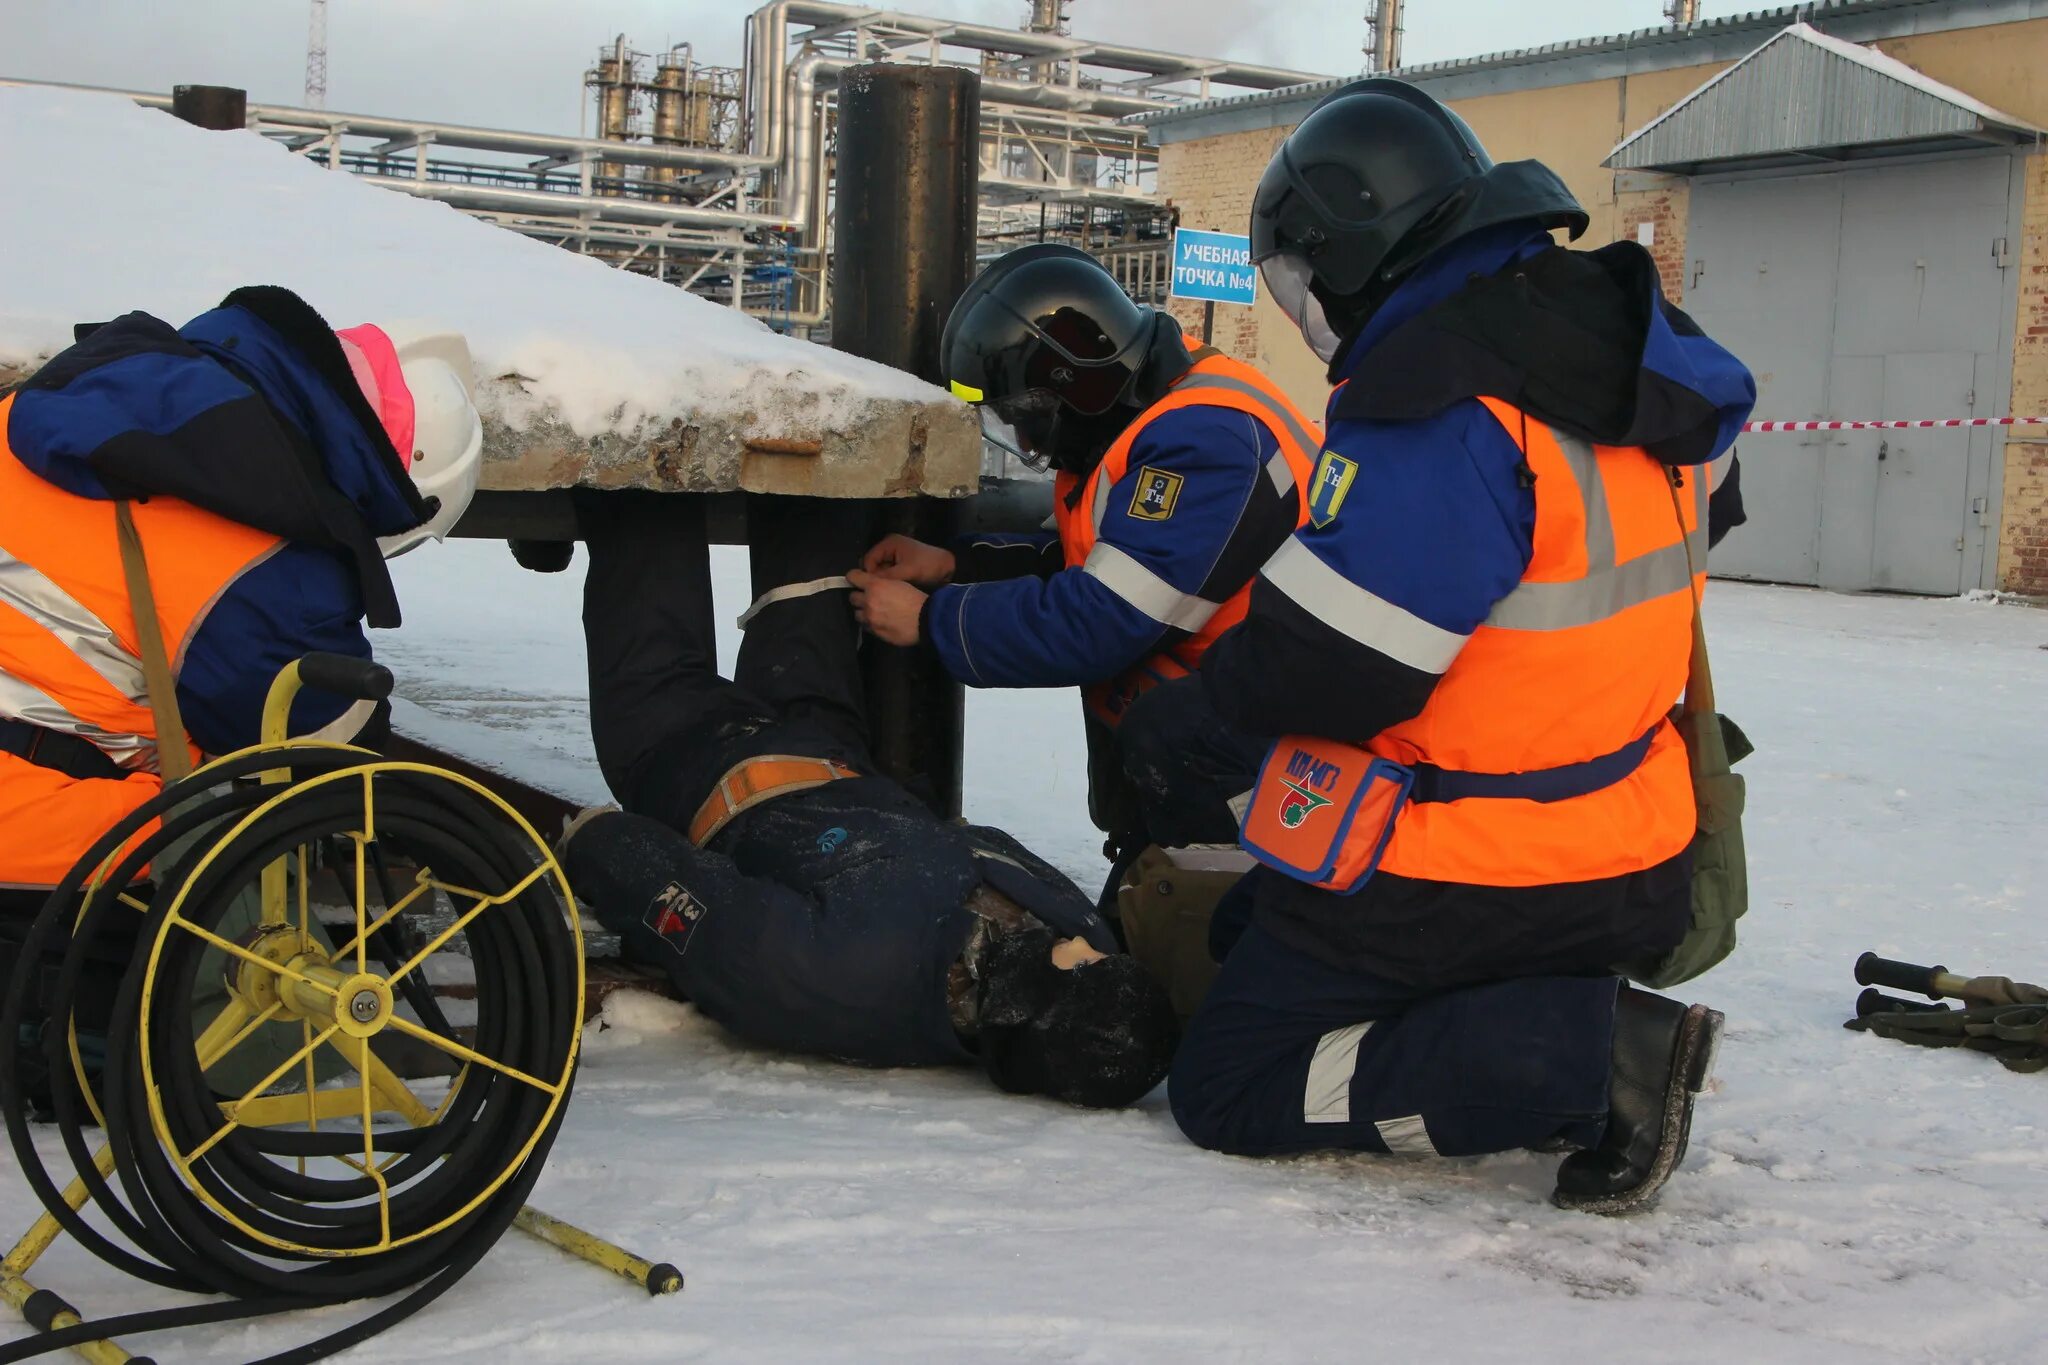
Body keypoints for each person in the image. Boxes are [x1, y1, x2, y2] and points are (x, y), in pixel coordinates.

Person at [1165, 78, 1757, 1215]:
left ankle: (1577, 1057)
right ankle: (1545, 1008)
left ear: (1345, 252)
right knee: (1250, 924)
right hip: (1633, 852)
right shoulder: (1645, 353)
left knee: (1228, 1081)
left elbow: (1326, 670)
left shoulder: (1437, 404)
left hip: (1458, 872)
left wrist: (1185, 717)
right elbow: (1698, 516)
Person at [0, 284, 483, 1111]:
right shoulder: (260, 555)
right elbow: (331, 760)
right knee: (225, 850)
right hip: (23, 844)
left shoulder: (69, 406)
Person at [556, 491, 1179, 1108]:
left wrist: (594, 843)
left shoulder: (840, 978)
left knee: (646, 517)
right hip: (830, 744)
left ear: (1030, 1008)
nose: (1093, 942)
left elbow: (684, 900)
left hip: (692, 761)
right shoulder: (1060, 929)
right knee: (815, 505)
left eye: (1090, 963)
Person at [846, 245, 1322, 880]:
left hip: (1252, 766)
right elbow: (1105, 562)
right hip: (1199, 750)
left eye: (1028, 417)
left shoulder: (1208, 440)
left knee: (1199, 932)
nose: (1024, 440)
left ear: (1077, 384)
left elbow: (1105, 618)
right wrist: (952, 566)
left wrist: (935, 620)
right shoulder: (1149, 413)